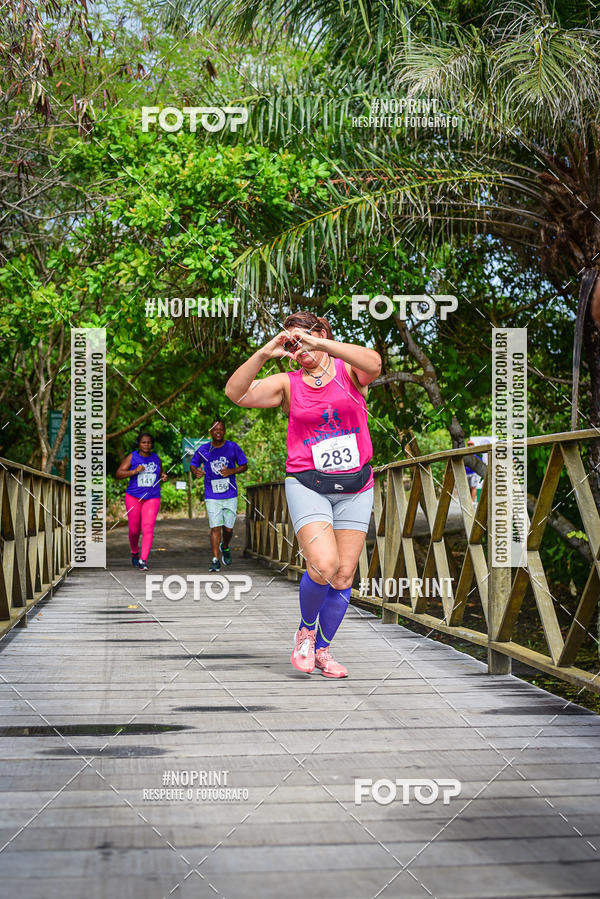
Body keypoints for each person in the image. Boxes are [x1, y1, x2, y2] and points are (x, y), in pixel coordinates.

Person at [225, 311, 381, 678]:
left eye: (305, 338)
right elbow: (236, 394)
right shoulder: (288, 383)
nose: (300, 347)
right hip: (308, 483)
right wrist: (265, 352)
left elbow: (374, 363)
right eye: (293, 343)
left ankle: (323, 650)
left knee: (344, 575)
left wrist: (320, 342)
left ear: (322, 333)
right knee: (324, 565)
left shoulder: (348, 371)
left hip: (356, 484)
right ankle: (306, 632)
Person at [190, 419, 248, 572]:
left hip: (230, 493)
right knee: (215, 527)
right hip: (212, 494)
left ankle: (225, 546)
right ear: (210, 431)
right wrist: (196, 471)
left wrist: (231, 471)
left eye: (221, 429)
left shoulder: (232, 447)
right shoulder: (204, 449)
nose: (218, 432)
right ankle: (215, 559)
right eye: (215, 429)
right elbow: (193, 464)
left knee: (228, 529)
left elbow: (244, 465)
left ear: (225, 431)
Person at [116, 432, 167, 570]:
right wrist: (134, 471)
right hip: (133, 497)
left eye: (149, 442)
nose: (146, 445)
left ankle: (143, 560)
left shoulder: (156, 458)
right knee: (134, 530)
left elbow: (160, 473)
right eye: (143, 442)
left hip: (152, 497)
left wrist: (163, 476)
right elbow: (119, 473)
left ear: (152, 444)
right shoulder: (132, 457)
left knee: (148, 527)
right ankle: (134, 552)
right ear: (139, 444)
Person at [465, 439, 483, 505]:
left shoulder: (477, 455)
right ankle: (468, 502)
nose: (470, 446)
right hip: (466, 473)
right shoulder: (465, 454)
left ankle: (472, 502)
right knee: (467, 488)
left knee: (473, 487)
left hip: (474, 473)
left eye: (471, 444)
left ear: (473, 445)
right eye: (469, 444)